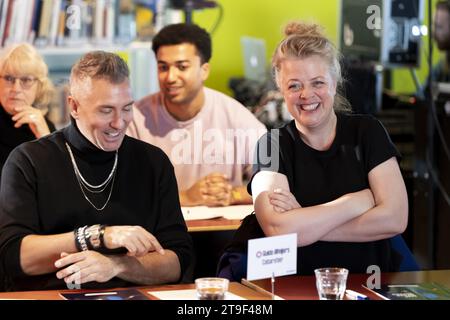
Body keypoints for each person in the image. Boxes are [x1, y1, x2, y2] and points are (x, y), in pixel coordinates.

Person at [218, 22, 408, 280]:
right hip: (295, 286)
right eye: (294, 86)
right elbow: (277, 228)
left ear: (334, 81)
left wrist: (304, 223)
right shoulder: (271, 145)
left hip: (367, 282)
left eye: (317, 82)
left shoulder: (367, 132)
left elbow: (395, 219)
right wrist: (355, 202)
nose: (306, 95)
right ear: (281, 89)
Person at [0, 51, 194, 291]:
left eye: (126, 108)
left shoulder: (153, 163)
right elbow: (14, 257)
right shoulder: (28, 160)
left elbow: (178, 261)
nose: (119, 122)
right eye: (106, 110)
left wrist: (116, 265)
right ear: (74, 106)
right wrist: (99, 236)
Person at [127, 23, 267, 207]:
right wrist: (186, 197)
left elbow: (276, 183)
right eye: (163, 67)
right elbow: (120, 192)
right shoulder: (134, 119)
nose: (170, 77)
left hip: (223, 231)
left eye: (182, 67)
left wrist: (231, 195)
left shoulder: (236, 116)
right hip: (159, 232)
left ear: (204, 70)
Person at [0, 43, 56, 178]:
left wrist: (44, 138)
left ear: (39, 87)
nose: (16, 89)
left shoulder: (46, 127)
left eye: (26, 80)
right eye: (9, 78)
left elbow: (57, 183)